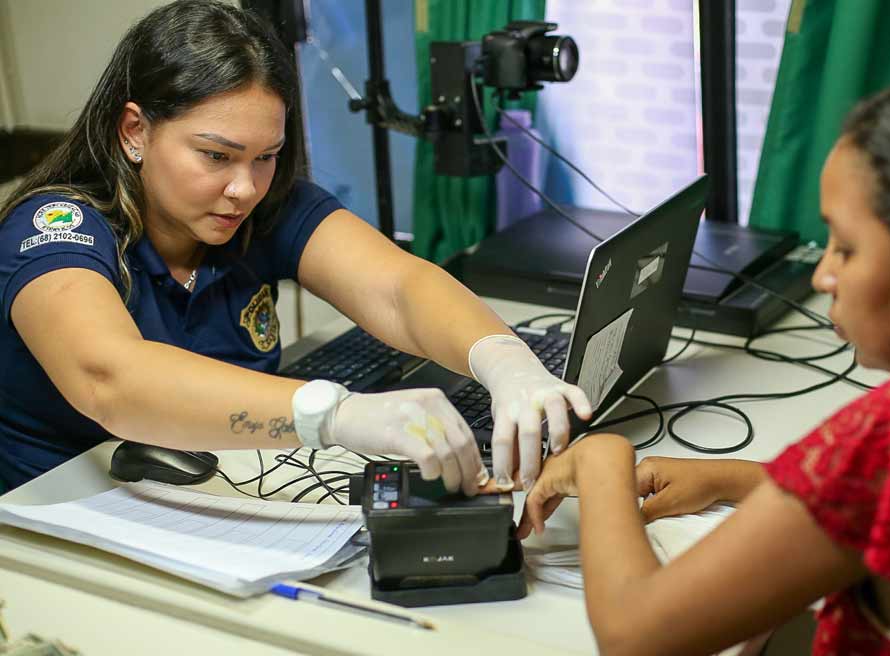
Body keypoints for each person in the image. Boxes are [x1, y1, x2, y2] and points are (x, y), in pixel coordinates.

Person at [517, 72, 890, 655]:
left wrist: (602, 458)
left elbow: (636, 635)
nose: (822, 276)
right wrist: (732, 478)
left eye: (847, 248)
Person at [0, 0, 590, 494]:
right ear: (135, 132)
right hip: (62, 526)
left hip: (216, 491)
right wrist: (333, 414)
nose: (244, 188)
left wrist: (504, 360)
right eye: (215, 155)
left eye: (266, 156)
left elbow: (397, 287)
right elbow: (112, 379)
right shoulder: (56, 229)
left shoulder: (264, 204)